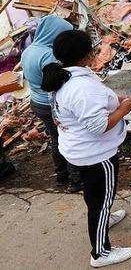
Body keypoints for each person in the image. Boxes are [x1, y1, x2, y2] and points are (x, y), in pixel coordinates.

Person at [41, 30, 131, 267]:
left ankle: (106, 216)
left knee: (96, 196)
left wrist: (113, 100)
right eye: (93, 49)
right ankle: (100, 253)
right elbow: (99, 126)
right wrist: (123, 110)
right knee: (101, 199)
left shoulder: (65, 77)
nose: (96, 52)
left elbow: (61, 116)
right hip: (96, 154)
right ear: (85, 55)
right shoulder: (81, 87)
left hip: (78, 150)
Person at [21, 15, 82, 191]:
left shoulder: (29, 50)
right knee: (68, 140)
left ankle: (62, 176)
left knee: (56, 138)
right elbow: (57, 84)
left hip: (36, 102)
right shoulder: (49, 56)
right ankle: (75, 180)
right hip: (50, 104)